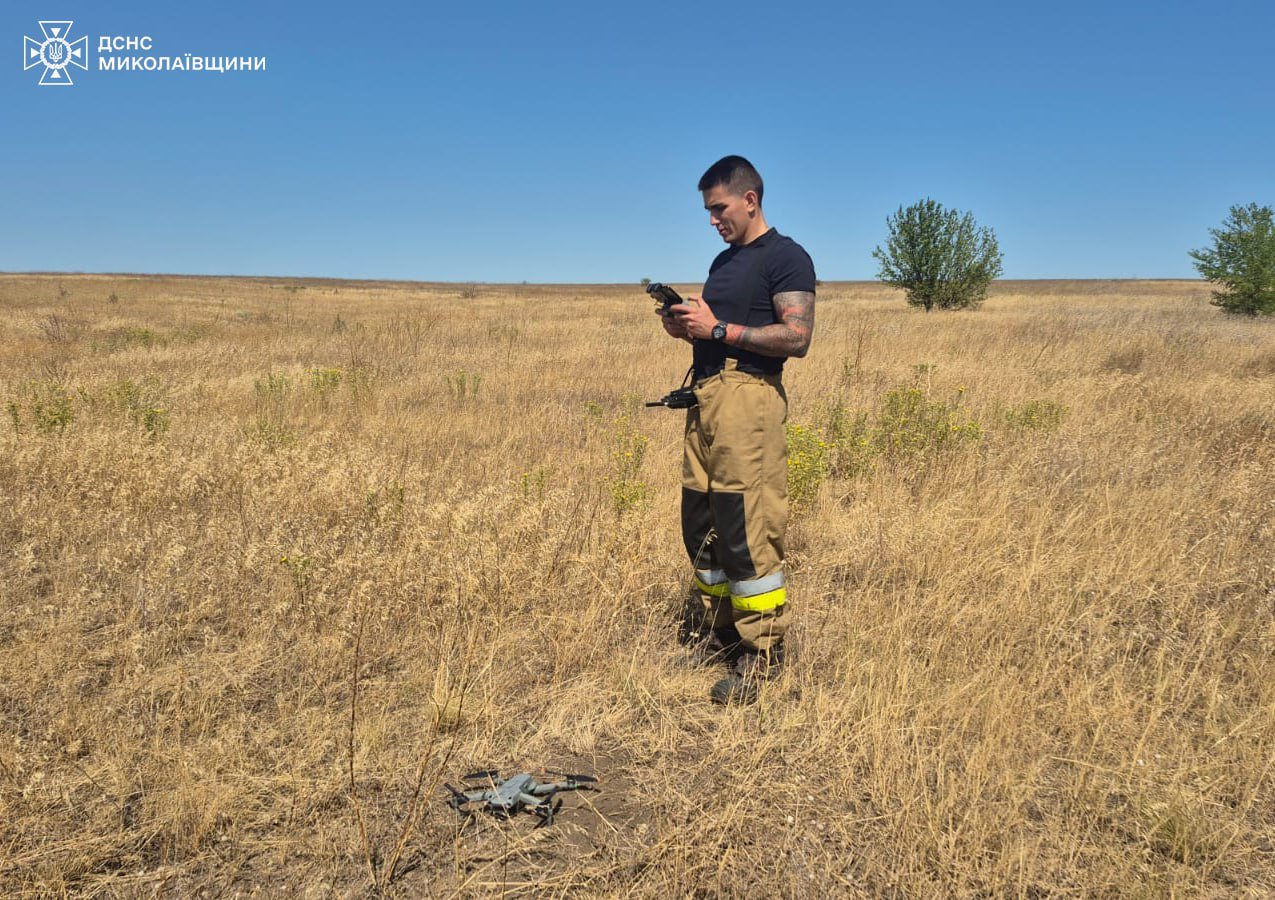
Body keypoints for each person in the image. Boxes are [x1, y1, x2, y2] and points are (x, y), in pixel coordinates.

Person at [657, 155, 816, 704]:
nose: (712, 219)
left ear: (750, 199)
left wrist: (719, 327)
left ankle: (763, 657)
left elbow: (796, 338)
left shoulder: (788, 257)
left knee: (747, 523)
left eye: (719, 207)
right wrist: (688, 328)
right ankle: (723, 636)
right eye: (707, 210)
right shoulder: (723, 262)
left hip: (748, 399)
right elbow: (716, 333)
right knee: (702, 519)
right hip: (706, 398)